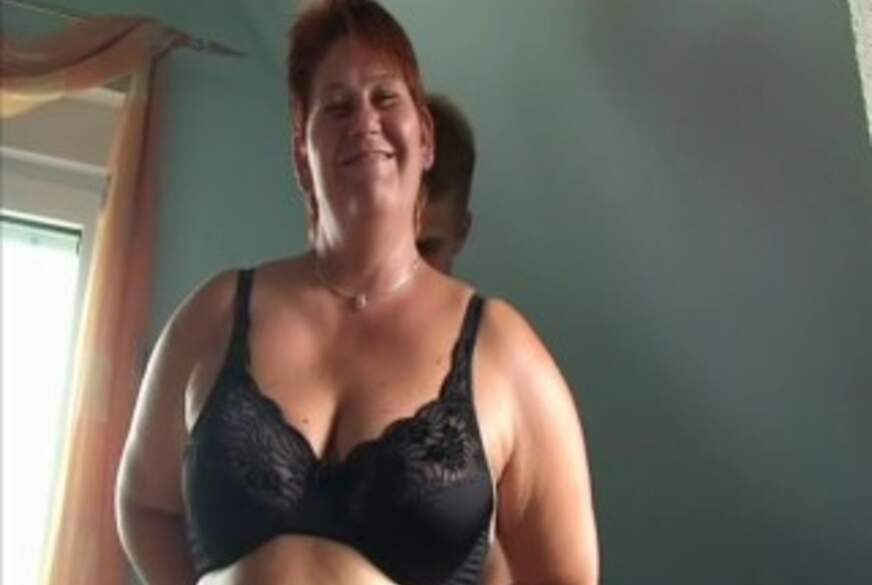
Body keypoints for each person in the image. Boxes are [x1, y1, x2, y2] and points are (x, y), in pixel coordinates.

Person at [116, 1, 599, 584]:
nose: (364, 121)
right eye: (337, 106)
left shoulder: (505, 353)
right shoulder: (215, 315)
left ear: (424, 136)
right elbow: (143, 504)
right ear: (302, 152)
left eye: (385, 98)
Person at [416, 93, 512, 585]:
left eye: (427, 247)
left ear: (461, 232)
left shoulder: (498, 365)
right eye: (391, 241)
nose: (406, 268)